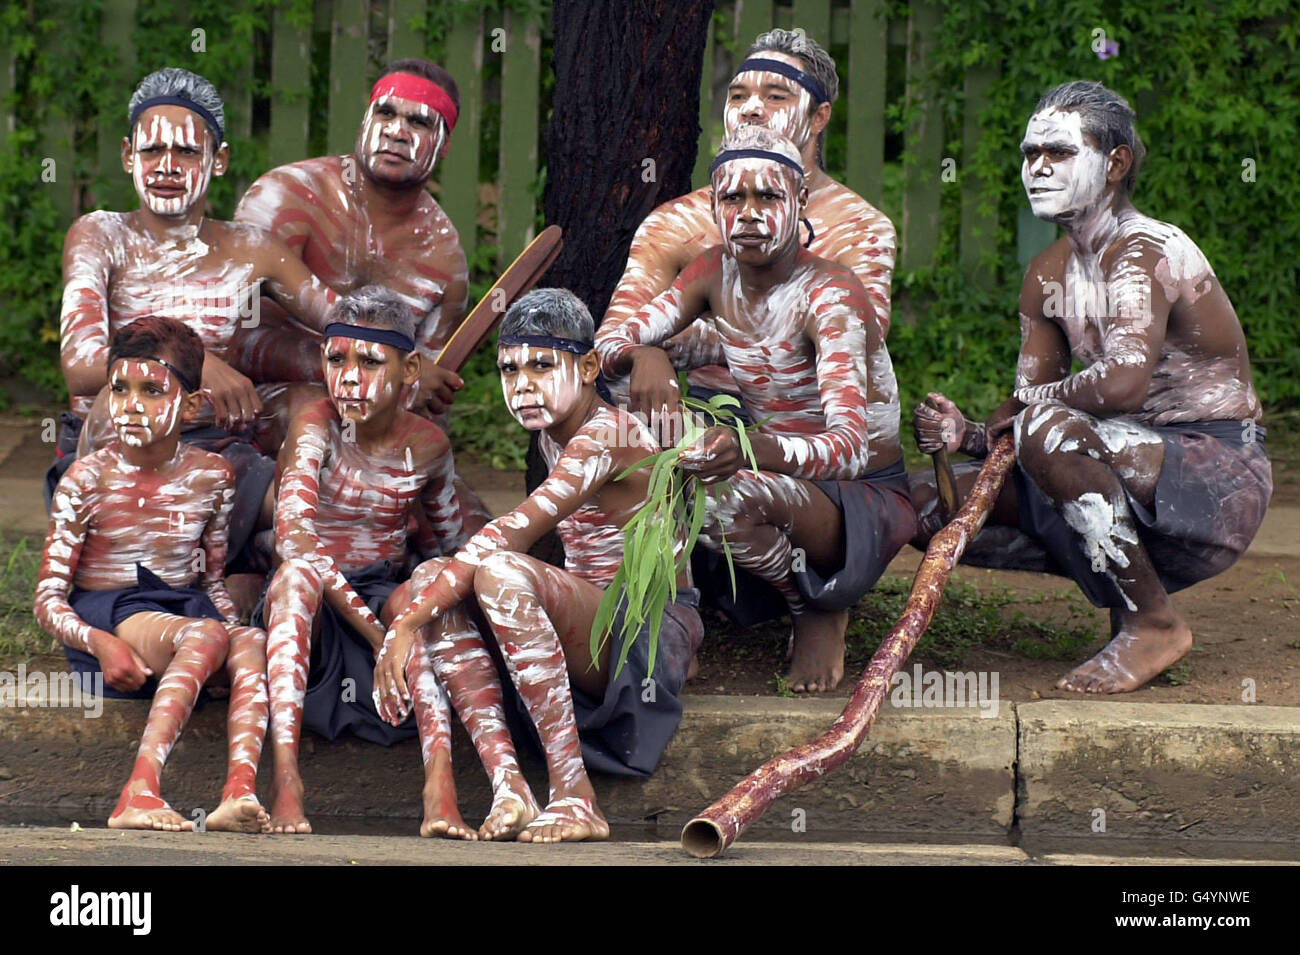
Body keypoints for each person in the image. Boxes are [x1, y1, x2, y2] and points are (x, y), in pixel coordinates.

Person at [910, 80, 1272, 694]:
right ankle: (1124, 588)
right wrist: (966, 433)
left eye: (1058, 153)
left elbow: (1123, 383)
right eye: (1029, 154)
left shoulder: (1143, 249)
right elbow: (1026, 411)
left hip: (1213, 477)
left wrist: (1025, 415)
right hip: (1110, 458)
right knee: (922, 507)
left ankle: (1151, 622)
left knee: (1047, 431)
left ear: (1115, 164)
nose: (1037, 169)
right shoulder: (1048, 271)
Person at [373, 288, 703, 842]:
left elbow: (518, 529)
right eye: (509, 369)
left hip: (649, 631)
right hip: (592, 621)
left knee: (497, 570)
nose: (522, 383)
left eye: (542, 365)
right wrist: (419, 606)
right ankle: (511, 787)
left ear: (590, 366)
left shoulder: (607, 434)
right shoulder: (556, 428)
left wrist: (405, 625)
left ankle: (575, 796)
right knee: (433, 578)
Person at [596, 128, 915, 693]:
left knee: (725, 491)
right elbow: (611, 343)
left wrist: (744, 450)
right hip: (775, 467)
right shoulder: (713, 272)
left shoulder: (831, 295)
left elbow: (850, 448)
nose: (747, 214)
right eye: (732, 199)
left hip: (858, 493)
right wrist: (646, 353)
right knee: (623, 398)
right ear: (715, 207)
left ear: (798, 205)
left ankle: (814, 606)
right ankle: (670, 608)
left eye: (766, 198)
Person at [53, 67, 336, 565]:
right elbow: (80, 368)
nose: (167, 166)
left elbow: (342, 319)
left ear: (218, 160)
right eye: (151, 151)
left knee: (311, 404)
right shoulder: (100, 236)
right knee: (106, 408)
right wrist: (194, 362)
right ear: (127, 156)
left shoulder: (251, 248)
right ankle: (252, 546)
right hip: (117, 438)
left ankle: (279, 540)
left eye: (186, 151)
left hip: (216, 440)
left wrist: (410, 359)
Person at [231, 59, 490, 537]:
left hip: (376, 437)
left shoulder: (444, 258)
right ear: (365, 121)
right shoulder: (284, 196)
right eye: (386, 114)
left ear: (444, 146)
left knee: (468, 522)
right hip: (257, 412)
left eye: (418, 122)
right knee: (313, 412)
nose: (396, 131)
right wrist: (367, 373)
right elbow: (230, 339)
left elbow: (425, 396)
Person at [34, 317, 270, 833]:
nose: (131, 403)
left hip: (184, 614)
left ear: (189, 405)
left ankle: (238, 794)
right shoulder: (86, 478)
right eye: (119, 388)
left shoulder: (213, 475)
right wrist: (99, 642)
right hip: (110, 618)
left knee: (250, 640)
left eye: (151, 390)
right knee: (206, 634)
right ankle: (137, 792)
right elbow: (48, 599)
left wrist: (232, 635)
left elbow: (210, 582)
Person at [603, 27, 896, 438]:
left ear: (819, 117)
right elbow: (616, 334)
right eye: (738, 96)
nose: (751, 109)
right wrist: (643, 353)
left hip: (811, 424)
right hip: (706, 413)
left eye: (777, 96)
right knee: (609, 391)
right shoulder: (675, 223)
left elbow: (857, 347)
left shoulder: (861, 229)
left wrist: (671, 341)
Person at [260, 286, 468, 834]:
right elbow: (295, 539)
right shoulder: (315, 423)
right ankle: (286, 779)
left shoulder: (428, 446)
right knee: (296, 576)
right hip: (318, 613)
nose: (349, 376)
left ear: (410, 369)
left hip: (380, 593)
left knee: (428, 584)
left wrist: (412, 616)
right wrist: (382, 638)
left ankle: (439, 785)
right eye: (336, 359)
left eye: (370, 361)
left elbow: (451, 547)